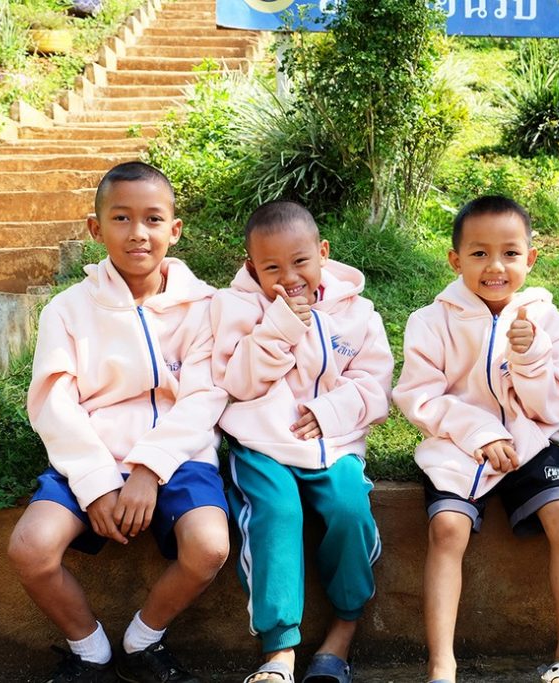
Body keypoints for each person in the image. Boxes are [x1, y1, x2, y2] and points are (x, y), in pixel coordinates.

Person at [8, 161, 231, 683]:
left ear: (175, 229)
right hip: (93, 453)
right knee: (31, 548)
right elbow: (53, 402)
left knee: (209, 547)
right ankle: (90, 651)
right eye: (121, 218)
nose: (138, 233)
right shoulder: (67, 310)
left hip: (180, 456)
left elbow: (205, 396)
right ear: (96, 228)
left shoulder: (206, 306)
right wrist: (98, 482)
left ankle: (142, 642)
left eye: (153, 219)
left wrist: (149, 470)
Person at [393, 196, 559, 683]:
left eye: (510, 253)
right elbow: (419, 397)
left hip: (530, 441)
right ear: (455, 260)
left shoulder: (554, 326)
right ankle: (442, 665)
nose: (495, 266)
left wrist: (531, 358)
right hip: (456, 445)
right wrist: (479, 433)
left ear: (531, 258)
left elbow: (549, 409)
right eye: (479, 253)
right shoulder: (430, 322)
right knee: (448, 528)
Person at [210, 200, 393, 683]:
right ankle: (279, 651)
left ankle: (344, 629)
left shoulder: (357, 312)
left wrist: (329, 412)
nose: (289, 277)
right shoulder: (235, 307)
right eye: (272, 268)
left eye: (300, 262)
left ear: (323, 253)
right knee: (278, 512)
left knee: (349, 508)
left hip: (334, 443)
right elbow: (236, 382)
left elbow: (376, 386)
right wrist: (280, 326)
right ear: (252, 267)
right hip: (262, 445)